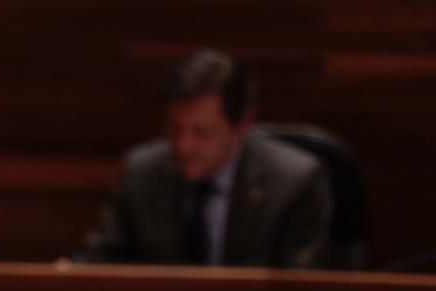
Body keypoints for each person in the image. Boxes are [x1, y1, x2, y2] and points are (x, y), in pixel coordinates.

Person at [73, 48, 332, 268]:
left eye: (202, 132)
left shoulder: (295, 183)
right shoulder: (142, 172)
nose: (184, 146)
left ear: (242, 123)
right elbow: (100, 261)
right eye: (175, 129)